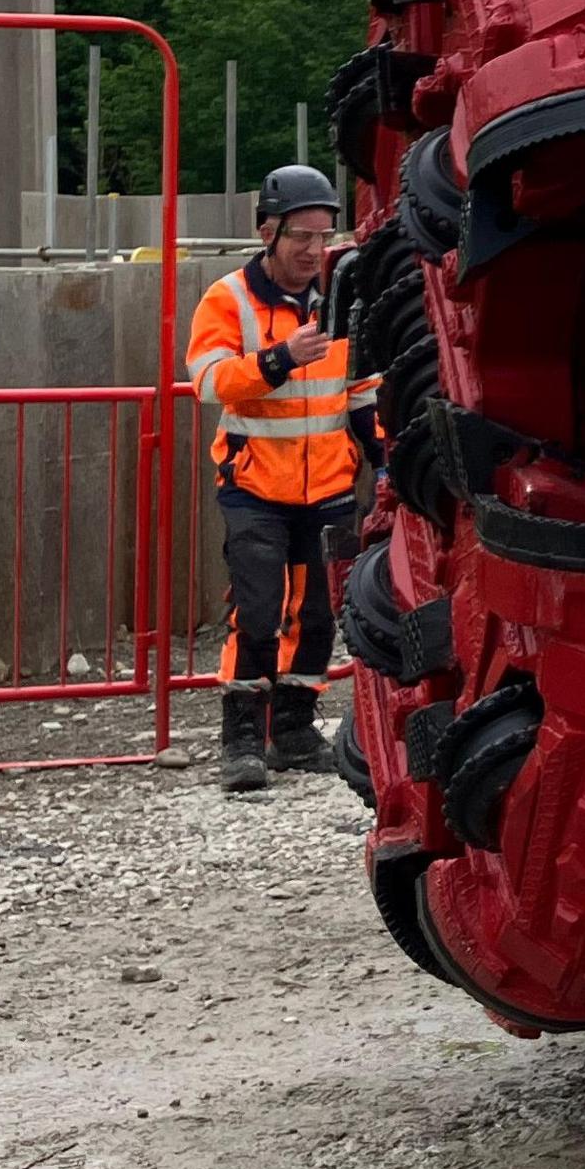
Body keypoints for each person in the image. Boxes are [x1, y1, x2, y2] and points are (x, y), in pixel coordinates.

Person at [188, 164, 374, 793]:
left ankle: (293, 730)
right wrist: (278, 359)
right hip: (254, 488)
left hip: (328, 488)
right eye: (302, 236)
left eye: (324, 237)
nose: (314, 250)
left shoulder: (342, 296)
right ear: (268, 231)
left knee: (319, 615)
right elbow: (210, 381)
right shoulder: (228, 298)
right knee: (258, 612)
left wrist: (384, 450)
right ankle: (241, 739)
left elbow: (360, 389)